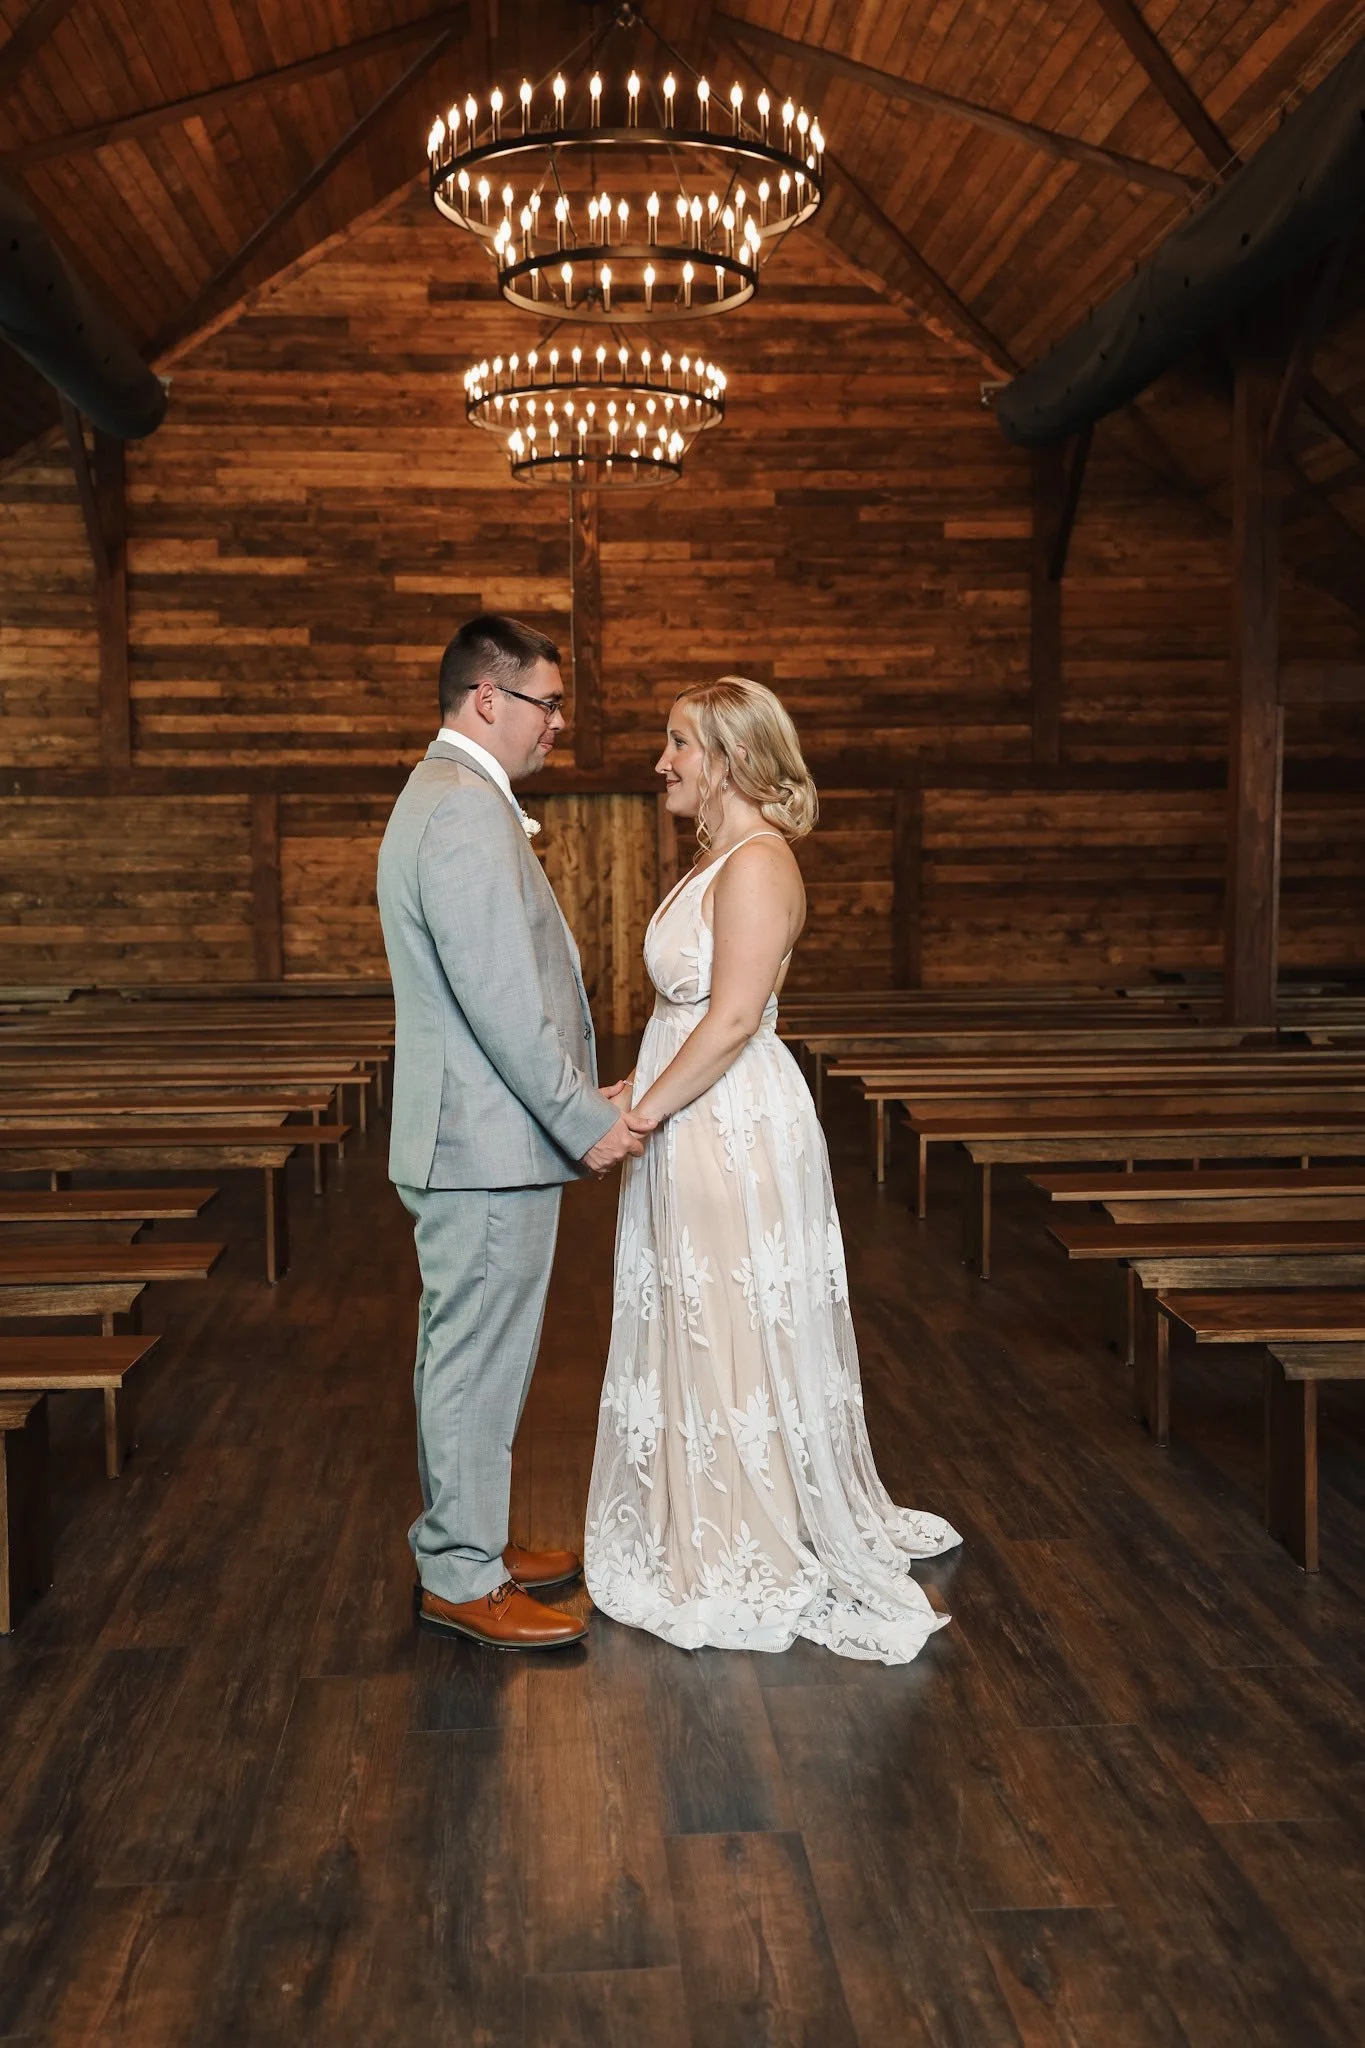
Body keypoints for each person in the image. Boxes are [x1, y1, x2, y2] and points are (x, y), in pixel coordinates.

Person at [584, 677, 960, 1662]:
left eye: (677, 745)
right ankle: (705, 1506)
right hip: (692, 1106)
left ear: (729, 759)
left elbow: (736, 1016)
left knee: (730, 1315)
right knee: (698, 1308)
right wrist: (629, 1087)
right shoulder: (719, 860)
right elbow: (687, 1014)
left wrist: (648, 1112)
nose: (662, 761)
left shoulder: (758, 863)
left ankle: (746, 1528)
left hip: (727, 1121)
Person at [377, 613, 653, 1652]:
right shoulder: (459, 812)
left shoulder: (453, 800)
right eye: (547, 703)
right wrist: (586, 1119)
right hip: (481, 1147)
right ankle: (460, 1570)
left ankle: (472, 1537)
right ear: (488, 698)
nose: (558, 725)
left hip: (480, 1139)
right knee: (474, 1356)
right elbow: (500, 999)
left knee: (480, 1350)